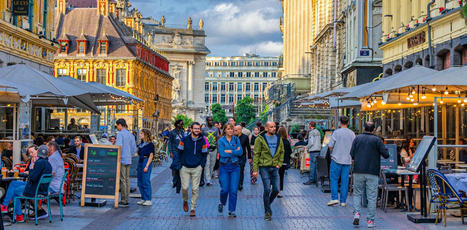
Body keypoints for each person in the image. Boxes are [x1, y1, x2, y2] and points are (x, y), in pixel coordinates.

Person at [351, 122, 389, 228]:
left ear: (364, 128)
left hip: (358, 170)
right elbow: (386, 155)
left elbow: (352, 154)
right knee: (372, 197)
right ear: (374, 130)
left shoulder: (357, 139)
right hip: (372, 172)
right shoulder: (377, 140)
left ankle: (357, 214)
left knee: (357, 193)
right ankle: (370, 221)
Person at [0, 145, 52, 223]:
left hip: (35, 189)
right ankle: (11, 210)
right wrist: (31, 171)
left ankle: (11, 210)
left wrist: (31, 170)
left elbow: (33, 178)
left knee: (14, 191)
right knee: (14, 183)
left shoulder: (39, 162)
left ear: (38, 152)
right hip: (40, 188)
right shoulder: (48, 163)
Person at [252, 121, 285, 221]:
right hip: (264, 167)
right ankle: (267, 212)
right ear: (266, 128)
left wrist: (279, 163)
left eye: (275, 127)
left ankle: (267, 204)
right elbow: (256, 154)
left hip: (275, 167)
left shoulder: (279, 138)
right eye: (271, 127)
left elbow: (282, 151)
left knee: (276, 189)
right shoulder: (260, 139)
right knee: (267, 189)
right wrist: (255, 170)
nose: (274, 128)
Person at [176, 122, 208, 217]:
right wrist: (180, 164)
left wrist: (202, 165)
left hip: (197, 167)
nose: (197, 130)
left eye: (198, 128)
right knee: (185, 187)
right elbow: (179, 152)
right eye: (195, 128)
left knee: (195, 189)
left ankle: (193, 208)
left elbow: (205, 154)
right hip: (185, 167)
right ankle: (185, 200)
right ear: (191, 129)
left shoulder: (202, 140)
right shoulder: (184, 139)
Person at [327, 116, 356, 207]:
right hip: (347, 160)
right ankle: (343, 201)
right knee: (345, 181)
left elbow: (330, 146)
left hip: (336, 159)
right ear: (348, 123)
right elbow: (354, 147)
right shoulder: (352, 133)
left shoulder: (336, 132)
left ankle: (334, 198)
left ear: (340, 122)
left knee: (334, 179)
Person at [218, 124, 242, 217]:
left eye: (232, 129)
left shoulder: (236, 139)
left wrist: (230, 151)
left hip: (235, 167)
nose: (231, 131)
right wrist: (234, 151)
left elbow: (240, 152)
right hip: (224, 166)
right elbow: (222, 153)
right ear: (225, 130)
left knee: (233, 190)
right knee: (224, 189)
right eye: (228, 129)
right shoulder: (221, 140)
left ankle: (232, 210)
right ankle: (222, 201)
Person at [115, 118, 137, 207]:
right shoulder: (130, 135)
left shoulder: (120, 134)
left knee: (123, 180)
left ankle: (124, 200)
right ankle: (126, 198)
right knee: (127, 179)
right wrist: (129, 155)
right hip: (128, 159)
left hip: (122, 159)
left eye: (117, 126)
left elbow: (118, 147)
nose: (117, 128)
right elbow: (134, 149)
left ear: (120, 125)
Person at [137, 129, 154, 206]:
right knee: (140, 181)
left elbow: (151, 155)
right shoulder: (141, 144)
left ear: (145, 135)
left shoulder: (150, 144)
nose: (140, 135)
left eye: (141, 133)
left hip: (146, 161)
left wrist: (147, 166)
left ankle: (148, 199)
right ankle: (143, 198)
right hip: (140, 161)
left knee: (145, 180)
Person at [169, 119, 185, 194]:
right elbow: (170, 142)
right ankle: (174, 180)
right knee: (175, 165)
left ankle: (178, 180)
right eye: (181, 124)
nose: (182, 125)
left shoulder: (182, 132)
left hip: (181, 151)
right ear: (177, 124)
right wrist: (170, 152)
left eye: (182, 124)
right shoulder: (172, 132)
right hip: (175, 151)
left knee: (180, 166)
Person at [202, 117, 219, 186]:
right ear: (206, 121)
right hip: (206, 150)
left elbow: (217, 139)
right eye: (209, 120)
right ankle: (208, 180)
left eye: (212, 120)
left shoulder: (215, 129)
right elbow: (202, 139)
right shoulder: (203, 129)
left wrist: (218, 150)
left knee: (212, 164)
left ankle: (208, 178)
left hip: (214, 149)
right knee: (207, 164)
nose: (211, 121)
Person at [234, 125, 251, 191]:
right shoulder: (233, 137)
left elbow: (248, 147)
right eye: (234, 130)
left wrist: (249, 157)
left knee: (241, 170)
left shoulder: (245, 137)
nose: (234, 131)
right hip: (234, 156)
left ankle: (240, 184)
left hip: (242, 156)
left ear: (240, 130)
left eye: (236, 130)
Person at [277, 127, 292, 198]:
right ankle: (279, 192)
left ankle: (272, 187)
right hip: (284, 162)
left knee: (274, 175)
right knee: (281, 176)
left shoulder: (277, 140)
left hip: (276, 161)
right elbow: (290, 152)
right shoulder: (286, 141)